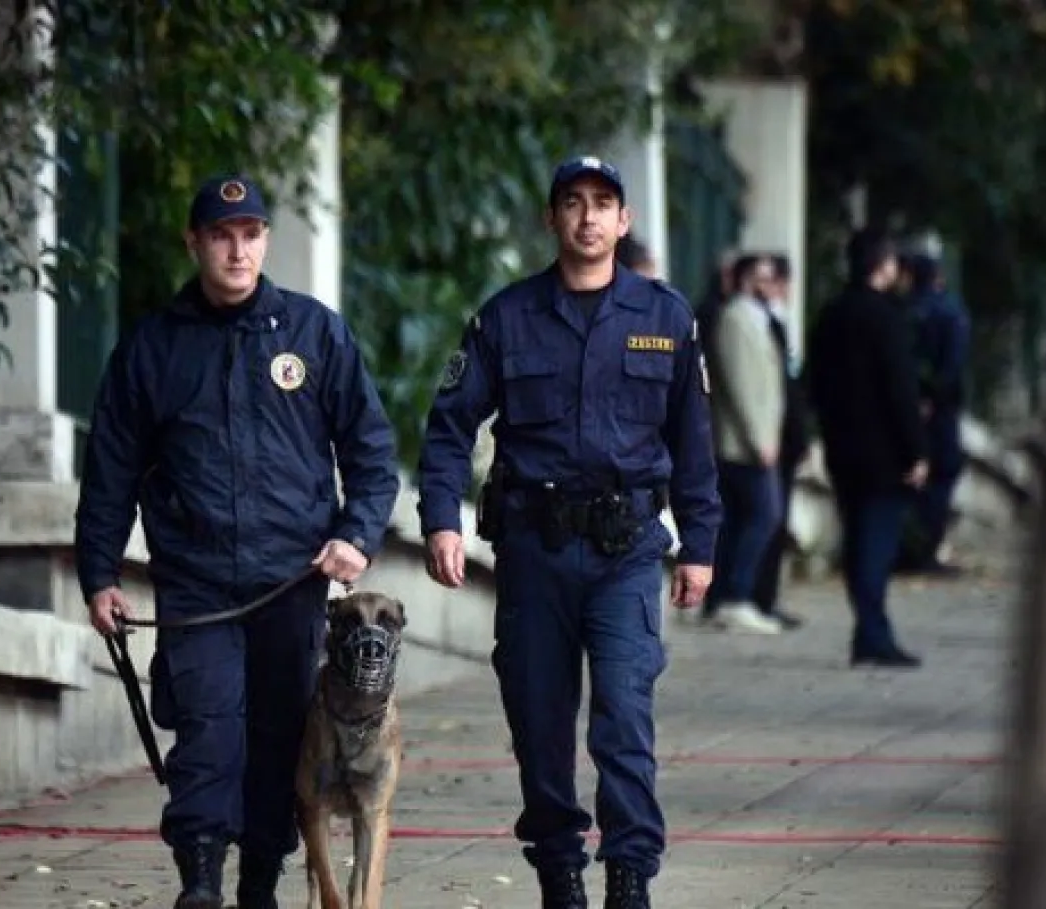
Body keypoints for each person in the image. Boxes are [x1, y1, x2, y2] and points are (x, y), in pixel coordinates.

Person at [73, 174, 401, 909]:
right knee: (207, 733)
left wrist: (356, 534)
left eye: (250, 234)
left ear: (265, 242)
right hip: (196, 586)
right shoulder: (153, 349)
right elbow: (109, 474)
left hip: (292, 582)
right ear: (194, 242)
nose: (237, 249)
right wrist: (99, 575)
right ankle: (199, 881)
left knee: (281, 741)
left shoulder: (316, 334)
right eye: (221, 235)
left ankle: (259, 882)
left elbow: (373, 452)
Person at [416, 155, 721, 909]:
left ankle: (628, 877)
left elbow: (695, 442)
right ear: (551, 219)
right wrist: (440, 522)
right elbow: (449, 426)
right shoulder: (505, 317)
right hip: (534, 551)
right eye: (573, 203)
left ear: (624, 220)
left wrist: (703, 546)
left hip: (627, 552)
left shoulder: (666, 316)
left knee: (623, 714)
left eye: (603, 203)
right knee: (540, 721)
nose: (588, 217)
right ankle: (559, 873)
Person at [805, 230, 929, 669]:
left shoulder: (831, 315)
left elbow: (814, 381)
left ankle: (868, 629)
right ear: (884, 266)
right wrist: (916, 450)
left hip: (843, 448)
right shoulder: (887, 319)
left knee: (858, 541)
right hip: (884, 455)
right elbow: (900, 389)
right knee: (876, 544)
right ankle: (873, 633)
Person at [701, 253, 786, 634]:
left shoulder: (758, 317)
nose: (766, 283)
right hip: (744, 444)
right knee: (763, 515)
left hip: (755, 440)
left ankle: (726, 598)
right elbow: (740, 386)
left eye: (770, 276)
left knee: (740, 519)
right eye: (758, 276)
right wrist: (759, 439)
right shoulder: (736, 319)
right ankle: (736, 596)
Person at [901, 252, 971, 576]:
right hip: (940, 411)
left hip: (905, 408)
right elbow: (954, 364)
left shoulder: (902, 310)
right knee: (942, 477)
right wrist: (936, 397)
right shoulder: (950, 312)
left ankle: (908, 548)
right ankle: (926, 550)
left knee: (912, 480)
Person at [752, 252, 810, 628]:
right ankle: (757, 595)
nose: (772, 288)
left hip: (786, 438)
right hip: (769, 440)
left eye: (775, 280)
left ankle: (767, 595)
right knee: (764, 517)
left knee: (775, 518)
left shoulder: (779, 321)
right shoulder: (754, 322)